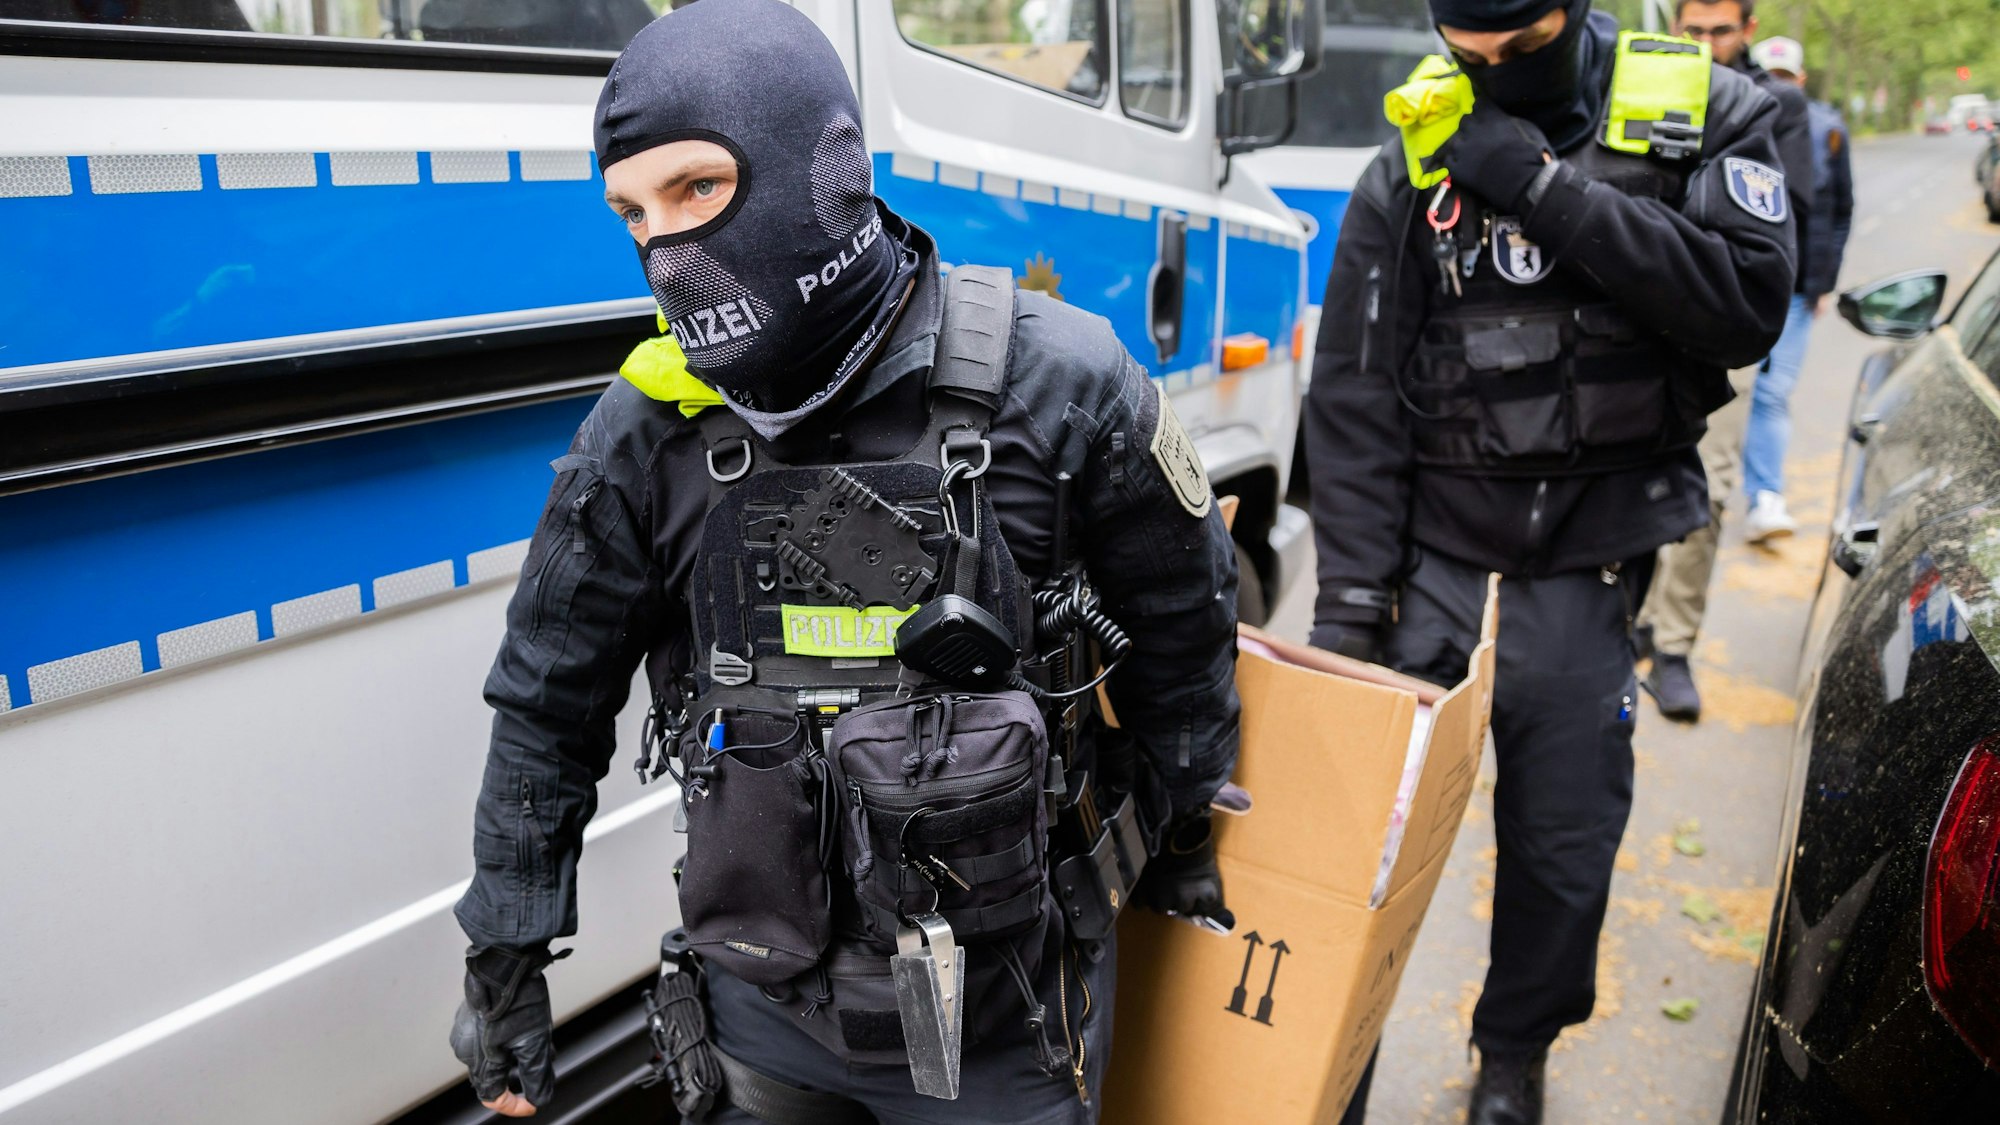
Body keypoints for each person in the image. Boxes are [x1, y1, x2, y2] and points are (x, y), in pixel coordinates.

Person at [444, 1, 1241, 1121]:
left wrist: (1184, 825)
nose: (665, 251)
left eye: (698, 190)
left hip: (1004, 1021)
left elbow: (1182, 627)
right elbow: (544, 699)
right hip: (758, 1009)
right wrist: (505, 956)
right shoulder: (646, 428)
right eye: (632, 211)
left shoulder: (1056, 382)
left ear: (823, 169)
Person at [1306, 1, 1793, 1121]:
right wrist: (1346, 607)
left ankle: (1513, 1053)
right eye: (1465, 58)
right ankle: (1334, 1061)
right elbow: (1355, 389)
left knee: (1563, 841)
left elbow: (1740, 308)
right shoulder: (1413, 150)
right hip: (1434, 546)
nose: (1488, 77)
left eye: (1520, 53)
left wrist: (1536, 184)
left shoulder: (1695, 112)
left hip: (1590, 551)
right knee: (1362, 845)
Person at [1634, 0, 1815, 721]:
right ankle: (1634, 620)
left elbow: (1782, 223)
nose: (1706, 43)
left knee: (1704, 492)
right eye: (1693, 30)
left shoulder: (1772, 106)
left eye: (1720, 30)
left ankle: (1673, 646)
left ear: (1746, 30)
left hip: (1723, 325)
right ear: (1674, 28)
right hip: (1638, 317)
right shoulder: (1639, 85)